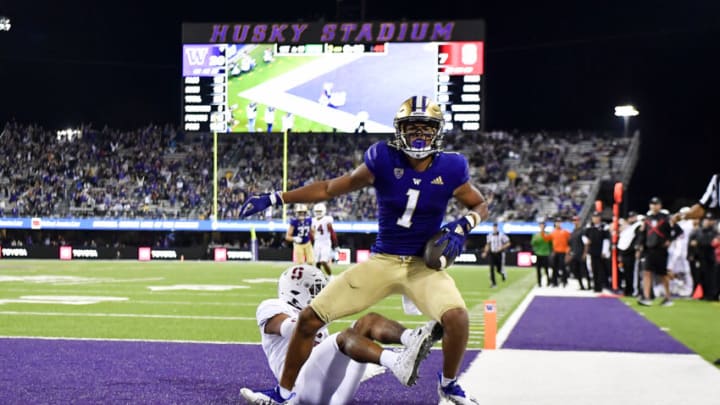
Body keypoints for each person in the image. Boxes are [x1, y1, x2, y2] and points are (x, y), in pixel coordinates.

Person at [239, 95, 487, 405]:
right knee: (308, 319)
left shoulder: (452, 166)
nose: (419, 135)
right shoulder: (382, 158)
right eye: (413, 128)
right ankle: (284, 394)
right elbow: (330, 188)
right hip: (383, 262)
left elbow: (479, 203)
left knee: (458, 318)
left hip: (423, 266)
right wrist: (277, 198)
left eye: (427, 128)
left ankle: (448, 385)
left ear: (438, 132)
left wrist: (464, 224)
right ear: (400, 131)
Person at [241, 264, 442, 404]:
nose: (320, 295)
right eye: (316, 289)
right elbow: (292, 328)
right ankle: (397, 361)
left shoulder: (313, 318)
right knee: (344, 338)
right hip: (300, 390)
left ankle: (411, 339)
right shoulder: (272, 306)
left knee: (366, 323)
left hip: (334, 392)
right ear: (296, 290)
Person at [636, 197, 681, 306]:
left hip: (661, 249)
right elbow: (643, 234)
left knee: (663, 274)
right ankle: (647, 297)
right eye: (652, 204)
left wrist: (670, 240)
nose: (654, 206)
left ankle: (668, 297)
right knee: (646, 272)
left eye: (656, 204)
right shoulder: (647, 218)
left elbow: (678, 230)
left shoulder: (666, 218)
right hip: (648, 249)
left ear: (660, 206)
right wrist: (639, 246)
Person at [583, 211, 610, 292]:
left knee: (600, 269)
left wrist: (604, 251)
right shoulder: (589, 226)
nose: (595, 219)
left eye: (597, 217)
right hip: (592, 250)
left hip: (600, 250)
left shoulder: (604, 226)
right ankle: (595, 286)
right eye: (594, 217)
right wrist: (586, 241)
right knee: (593, 269)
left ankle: (601, 285)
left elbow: (606, 239)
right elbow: (584, 236)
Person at [540, 218, 572, 287]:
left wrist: (568, 251)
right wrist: (542, 231)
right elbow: (546, 239)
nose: (558, 223)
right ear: (555, 224)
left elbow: (570, 242)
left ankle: (564, 281)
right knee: (554, 267)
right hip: (556, 252)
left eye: (559, 222)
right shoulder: (553, 232)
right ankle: (555, 282)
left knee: (563, 267)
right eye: (557, 222)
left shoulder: (565, 232)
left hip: (563, 252)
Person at [617, 211, 642, 296]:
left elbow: (638, 239)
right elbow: (622, 241)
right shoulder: (627, 228)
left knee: (633, 273)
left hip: (632, 252)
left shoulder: (638, 226)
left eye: (633, 217)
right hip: (624, 252)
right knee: (626, 272)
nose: (631, 219)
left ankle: (633, 290)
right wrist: (620, 254)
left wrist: (637, 250)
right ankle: (627, 290)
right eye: (630, 217)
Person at [311, 203, 337, 276]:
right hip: (317, 242)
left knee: (323, 261)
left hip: (325, 242)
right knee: (317, 263)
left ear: (324, 211)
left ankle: (330, 276)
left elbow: (332, 232)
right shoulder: (313, 220)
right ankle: (320, 277)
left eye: (320, 211)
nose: (318, 213)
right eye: (317, 211)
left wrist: (335, 244)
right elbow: (312, 232)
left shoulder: (327, 219)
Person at [482, 222, 511, 287]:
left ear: (498, 228)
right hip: (492, 253)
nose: (495, 228)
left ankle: (503, 273)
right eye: (494, 227)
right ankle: (493, 283)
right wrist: (485, 252)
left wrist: (501, 248)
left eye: (496, 227)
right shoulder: (489, 235)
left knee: (499, 269)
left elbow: (508, 243)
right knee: (491, 268)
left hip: (499, 253)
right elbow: (488, 244)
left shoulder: (502, 235)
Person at [568, 216, 591, 290]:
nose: (575, 222)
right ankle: (581, 285)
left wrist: (585, 253)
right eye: (574, 220)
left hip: (581, 254)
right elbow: (571, 244)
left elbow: (587, 243)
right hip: (575, 254)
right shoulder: (573, 231)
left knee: (584, 270)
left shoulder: (582, 231)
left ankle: (589, 285)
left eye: (576, 220)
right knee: (576, 271)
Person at [530, 221, 552, 287]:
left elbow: (551, 244)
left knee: (546, 269)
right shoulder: (536, 235)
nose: (542, 227)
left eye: (543, 225)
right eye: (541, 225)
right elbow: (533, 243)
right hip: (538, 254)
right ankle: (539, 283)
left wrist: (549, 251)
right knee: (538, 269)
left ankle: (548, 281)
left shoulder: (548, 234)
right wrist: (535, 250)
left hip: (546, 254)